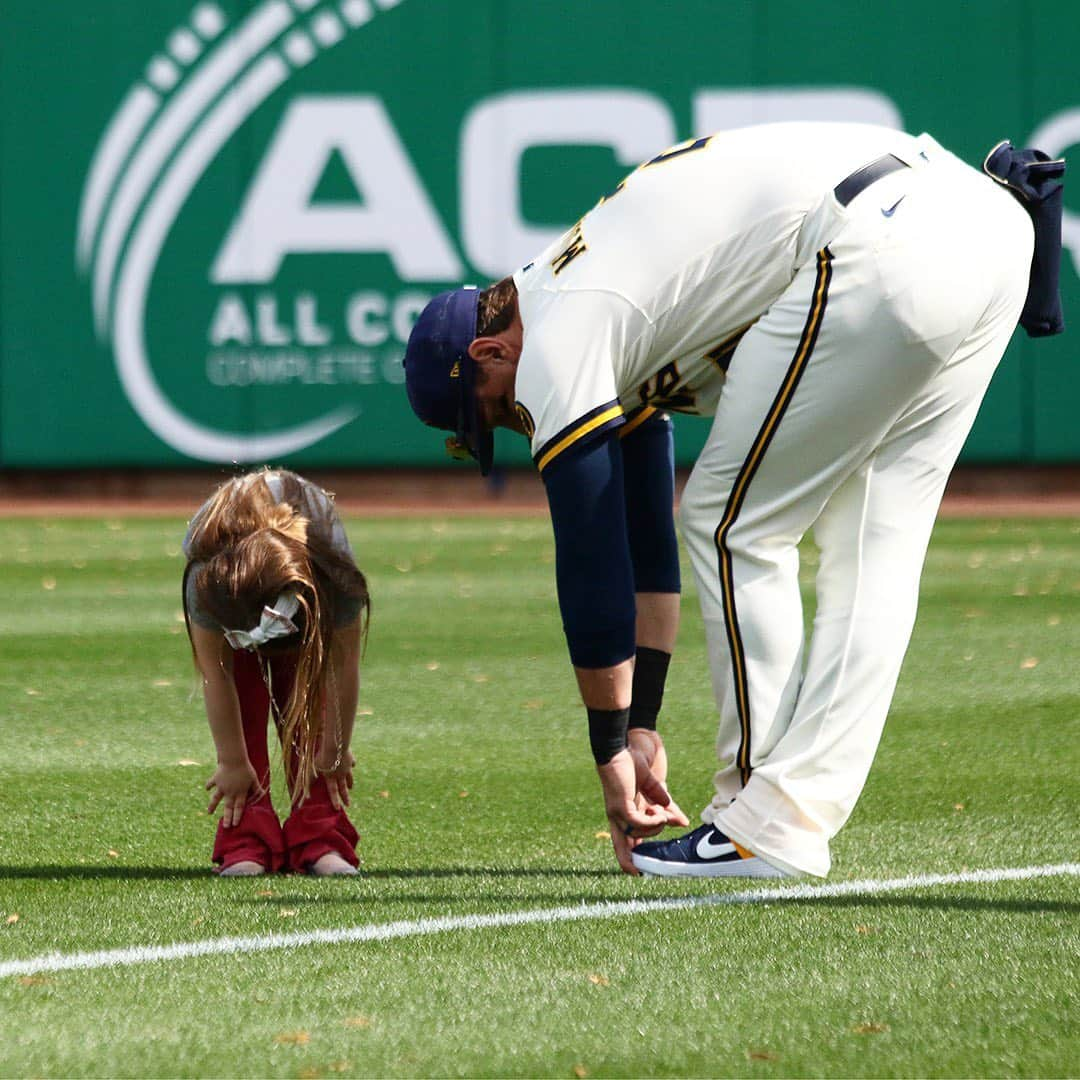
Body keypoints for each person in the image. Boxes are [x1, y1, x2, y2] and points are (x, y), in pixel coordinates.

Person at [403, 121, 1064, 879]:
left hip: (884, 238)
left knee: (730, 526)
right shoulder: (591, 313)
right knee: (872, 544)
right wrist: (641, 727)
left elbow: (593, 567)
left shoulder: (555, 330)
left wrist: (608, 751)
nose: (508, 426)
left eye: (488, 410)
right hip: (984, 230)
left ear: (490, 351)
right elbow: (644, 543)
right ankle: (792, 817)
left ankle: (754, 816)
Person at [182, 469, 370, 876]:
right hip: (239, 598)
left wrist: (335, 749)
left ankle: (322, 836)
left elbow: (342, 664)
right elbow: (218, 673)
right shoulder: (205, 574)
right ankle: (246, 838)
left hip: (310, 596)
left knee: (310, 702)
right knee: (243, 699)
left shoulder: (332, 570)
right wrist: (232, 762)